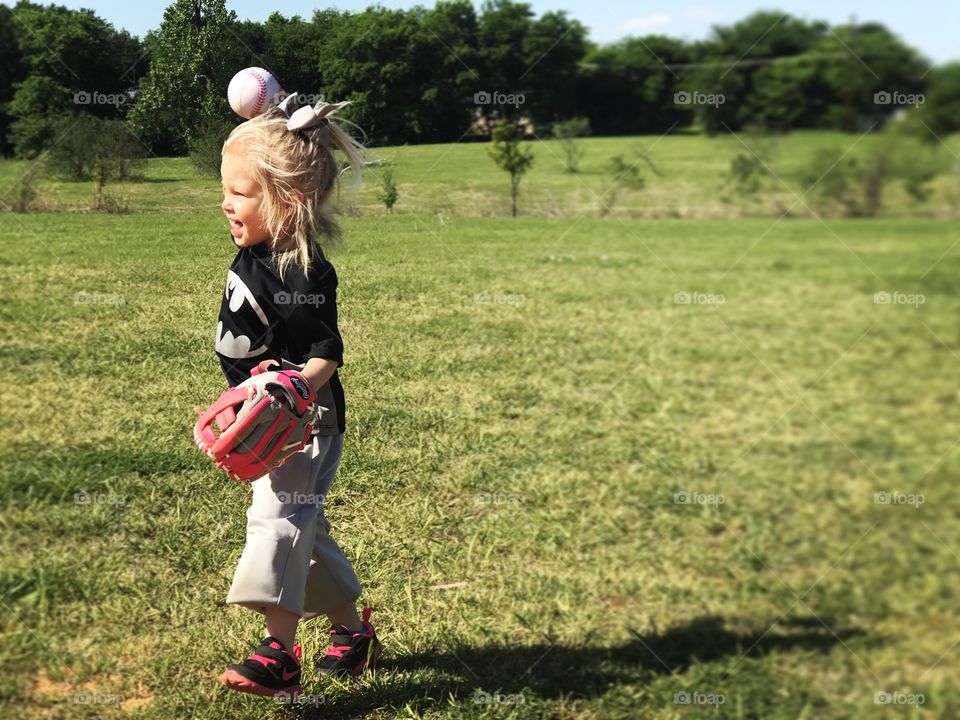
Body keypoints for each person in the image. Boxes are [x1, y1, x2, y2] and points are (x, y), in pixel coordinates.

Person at [212, 94, 382, 698]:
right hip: (262, 422)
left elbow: (325, 354)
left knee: (278, 517)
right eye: (226, 189)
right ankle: (351, 630)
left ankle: (279, 652)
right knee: (301, 525)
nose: (226, 202)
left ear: (287, 200)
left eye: (241, 192)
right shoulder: (257, 251)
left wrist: (291, 390)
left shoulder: (303, 270)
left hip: (302, 422)